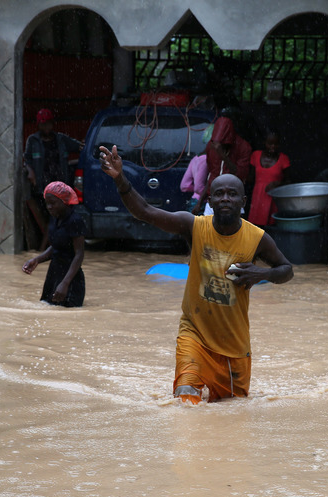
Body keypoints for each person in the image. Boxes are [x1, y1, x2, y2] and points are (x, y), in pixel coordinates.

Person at [98, 145, 294, 405]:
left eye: (232, 194)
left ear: (243, 202)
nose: (225, 198)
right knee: (185, 401)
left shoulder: (257, 238)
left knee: (232, 410)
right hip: (194, 334)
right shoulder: (193, 226)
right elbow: (145, 212)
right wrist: (120, 178)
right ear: (209, 201)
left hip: (233, 345)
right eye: (219, 194)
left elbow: (287, 270)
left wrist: (261, 273)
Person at [23, 109, 85, 249]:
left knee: (56, 219)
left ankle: (44, 250)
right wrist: (30, 171)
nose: (47, 128)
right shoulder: (33, 141)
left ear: (53, 124)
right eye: (43, 125)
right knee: (50, 220)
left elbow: (80, 147)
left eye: (49, 124)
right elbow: (26, 159)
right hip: (42, 189)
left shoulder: (61, 139)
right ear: (38, 125)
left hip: (60, 188)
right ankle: (46, 249)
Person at [21, 182, 87, 308]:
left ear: (64, 201)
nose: (49, 207)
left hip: (70, 278)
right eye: (47, 203)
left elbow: (79, 254)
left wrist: (65, 283)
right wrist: (36, 260)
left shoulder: (75, 220)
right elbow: (56, 247)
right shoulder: (55, 219)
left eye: (53, 203)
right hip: (54, 274)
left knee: (68, 314)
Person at [197, 116, 252, 216]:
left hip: (233, 199)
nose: (218, 146)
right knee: (209, 229)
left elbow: (240, 174)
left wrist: (222, 155)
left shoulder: (243, 147)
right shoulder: (211, 145)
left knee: (231, 229)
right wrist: (200, 202)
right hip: (213, 199)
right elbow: (211, 175)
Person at [247, 129, 291, 226]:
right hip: (257, 200)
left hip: (273, 201)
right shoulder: (255, 155)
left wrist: (278, 184)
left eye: (276, 144)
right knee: (255, 229)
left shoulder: (283, 159)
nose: (273, 147)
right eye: (270, 144)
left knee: (271, 229)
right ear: (264, 143)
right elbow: (250, 178)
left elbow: (289, 182)